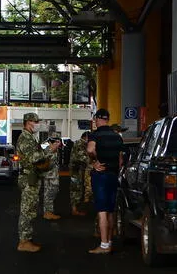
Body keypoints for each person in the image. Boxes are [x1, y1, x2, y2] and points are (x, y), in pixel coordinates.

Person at [86, 108, 124, 254]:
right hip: (113, 175)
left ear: (97, 119)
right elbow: (121, 160)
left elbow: (90, 150)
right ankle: (109, 242)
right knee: (110, 210)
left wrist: (96, 160)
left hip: (101, 175)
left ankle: (103, 245)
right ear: (108, 119)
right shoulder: (117, 137)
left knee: (102, 211)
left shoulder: (95, 135)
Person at [16, 112, 51, 253]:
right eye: (35, 122)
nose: (37, 124)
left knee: (30, 209)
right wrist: (49, 150)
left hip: (33, 177)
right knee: (27, 210)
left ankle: (27, 239)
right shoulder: (25, 138)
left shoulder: (30, 137)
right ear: (28, 122)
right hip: (28, 177)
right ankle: (23, 241)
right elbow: (33, 158)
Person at [70, 131, 90, 217]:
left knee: (79, 188)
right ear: (85, 137)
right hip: (76, 170)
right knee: (75, 189)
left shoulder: (82, 144)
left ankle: (76, 209)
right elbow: (82, 157)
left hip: (79, 169)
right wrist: (92, 160)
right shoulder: (79, 144)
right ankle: (74, 210)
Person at [42, 134, 62, 220]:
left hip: (54, 175)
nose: (58, 144)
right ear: (50, 142)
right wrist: (52, 150)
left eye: (58, 142)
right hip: (49, 176)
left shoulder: (56, 151)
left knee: (53, 192)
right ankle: (48, 212)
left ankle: (49, 211)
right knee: (49, 194)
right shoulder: (48, 150)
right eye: (56, 142)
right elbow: (46, 163)